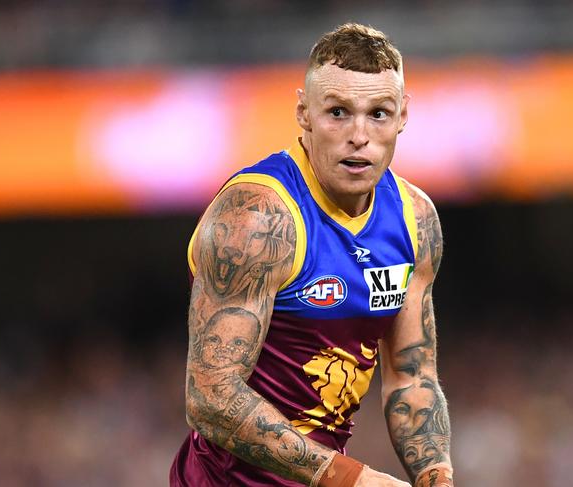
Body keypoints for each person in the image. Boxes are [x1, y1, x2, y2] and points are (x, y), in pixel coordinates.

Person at [171, 23, 454, 487]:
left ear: (403, 115)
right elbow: (211, 397)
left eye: (378, 114)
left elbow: (411, 377)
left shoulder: (414, 221)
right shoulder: (259, 217)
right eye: (338, 112)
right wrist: (351, 478)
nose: (359, 135)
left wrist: (434, 474)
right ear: (303, 112)